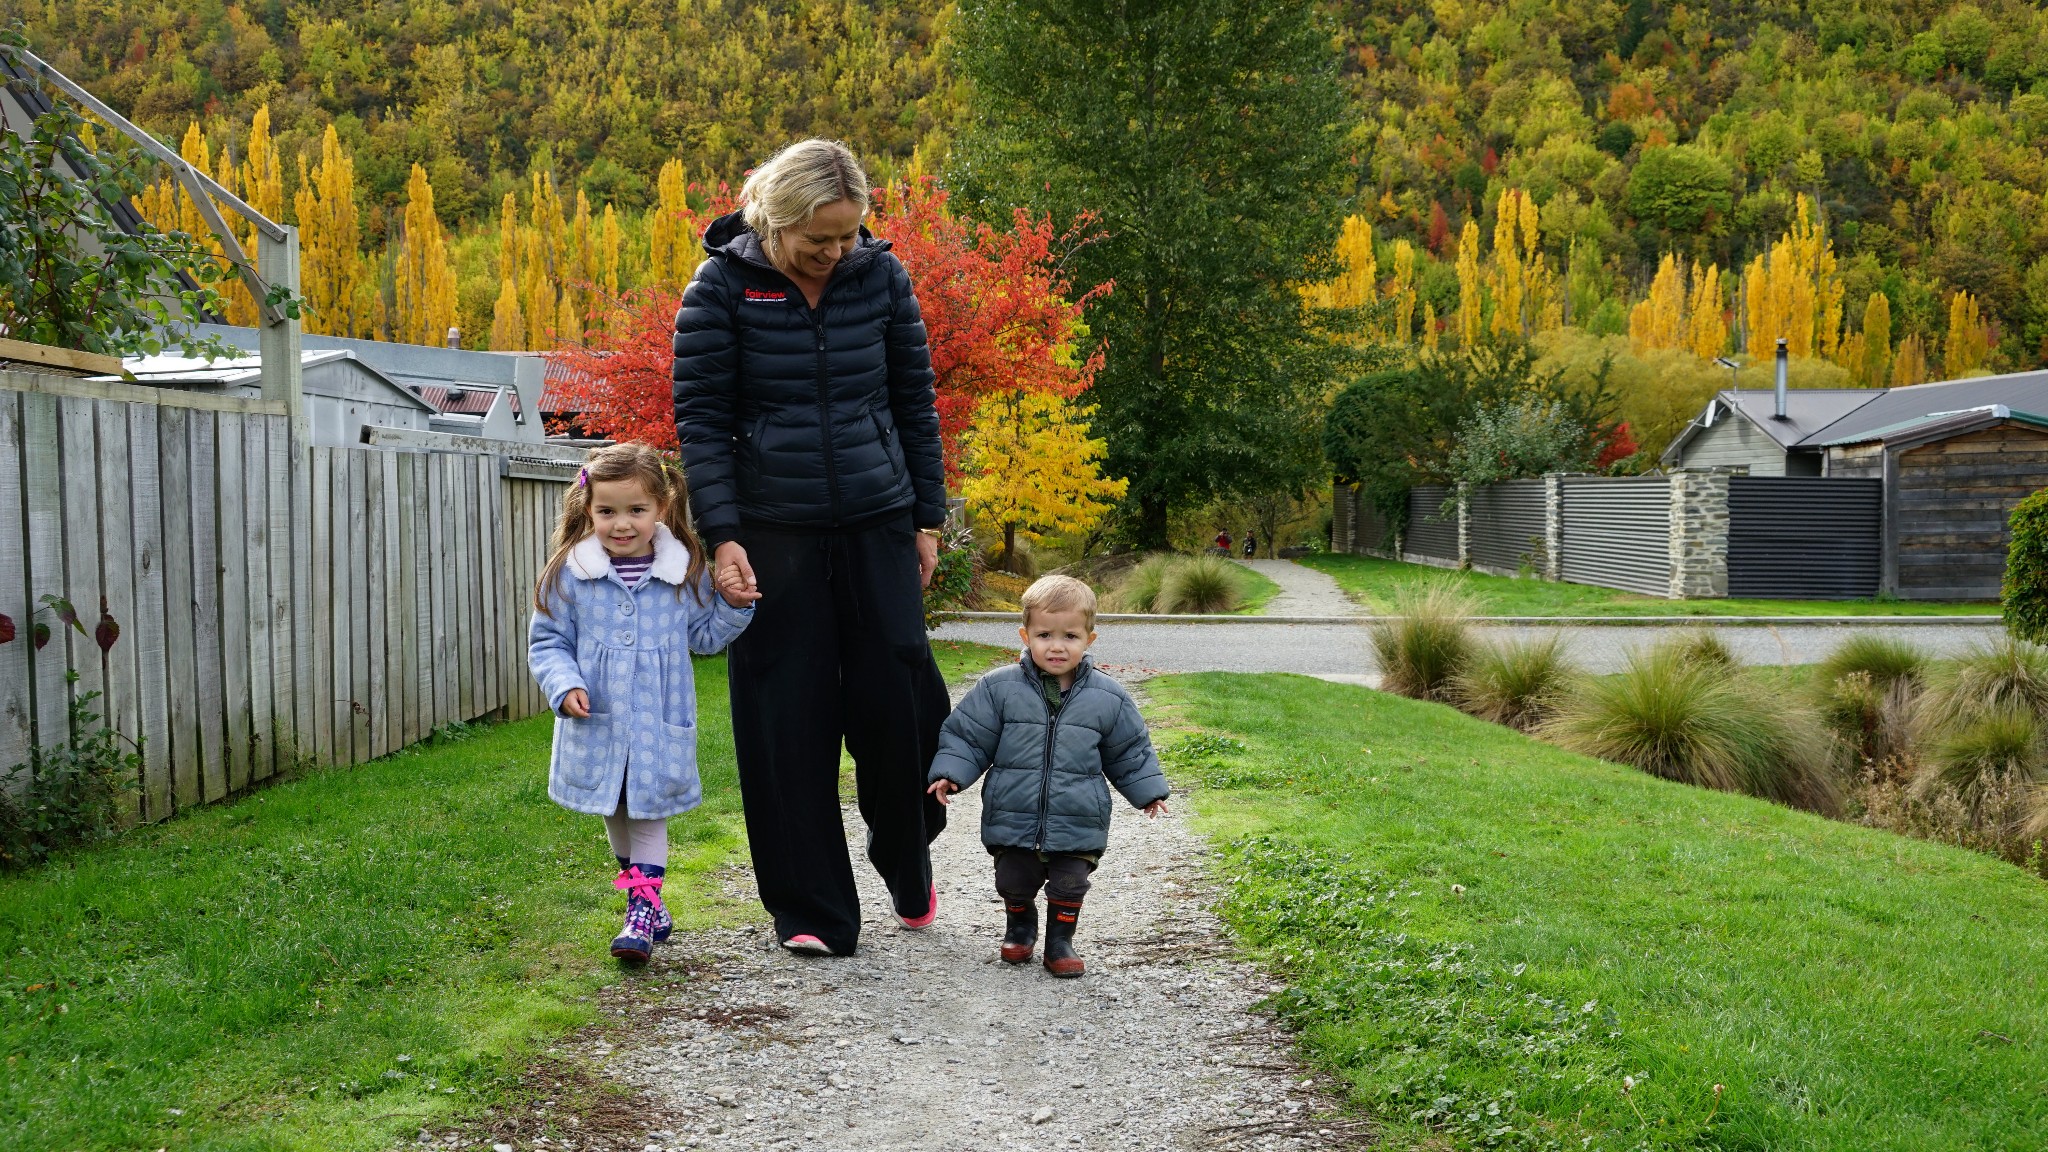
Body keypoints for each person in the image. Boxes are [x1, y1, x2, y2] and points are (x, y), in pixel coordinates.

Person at [673, 138, 952, 957]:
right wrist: (722, 537)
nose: (835, 254)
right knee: (784, 718)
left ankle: (908, 850)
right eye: (817, 240)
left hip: (877, 518)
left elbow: (915, 402)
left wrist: (925, 519)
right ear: (773, 219)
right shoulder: (720, 288)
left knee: (903, 704)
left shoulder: (882, 277)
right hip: (771, 529)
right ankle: (811, 908)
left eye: (847, 237)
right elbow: (702, 422)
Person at [528, 443, 759, 963]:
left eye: (636, 510)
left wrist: (732, 606)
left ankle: (640, 910)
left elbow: (704, 638)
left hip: (659, 719)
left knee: (648, 812)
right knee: (615, 808)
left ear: (662, 508)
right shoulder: (572, 573)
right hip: (599, 720)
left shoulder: (683, 572)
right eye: (607, 512)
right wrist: (563, 685)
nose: (622, 524)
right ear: (588, 510)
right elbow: (547, 643)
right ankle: (651, 902)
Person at [925, 576, 1170, 977]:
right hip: (1014, 811)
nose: (1057, 646)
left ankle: (1060, 941)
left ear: (1089, 639)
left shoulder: (1108, 697)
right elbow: (969, 736)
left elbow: (1128, 750)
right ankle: (1020, 927)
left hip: (1078, 815)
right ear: (1025, 635)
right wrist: (951, 773)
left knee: (1071, 883)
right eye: (1044, 635)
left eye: (1070, 635)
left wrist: (1147, 791)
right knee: (1013, 879)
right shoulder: (998, 688)